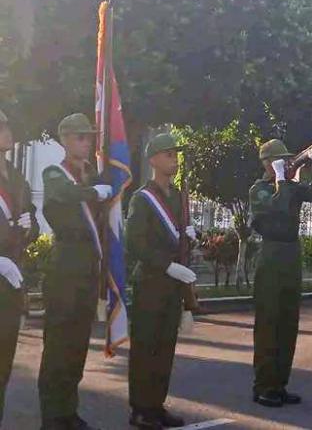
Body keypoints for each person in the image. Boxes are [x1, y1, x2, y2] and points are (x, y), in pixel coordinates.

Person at [38, 113, 112, 430]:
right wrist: (95, 192)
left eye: (89, 136)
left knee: (77, 346)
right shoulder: (55, 173)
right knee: (58, 346)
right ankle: (52, 417)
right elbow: (65, 195)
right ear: (65, 139)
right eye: (81, 137)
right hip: (65, 266)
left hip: (88, 267)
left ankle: (68, 411)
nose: (87, 142)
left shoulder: (92, 174)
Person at [126, 133, 198, 429]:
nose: (174, 159)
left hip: (172, 285)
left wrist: (191, 238)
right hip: (151, 282)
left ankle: (156, 405)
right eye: (168, 154)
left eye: (175, 154)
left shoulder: (179, 196)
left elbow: (179, 239)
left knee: (165, 348)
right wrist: (167, 265)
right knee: (146, 347)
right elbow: (135, 243)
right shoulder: (142, 198)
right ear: (153, 159)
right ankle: (140, 409)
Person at [249, 139, 312, 407]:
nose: (286, 162)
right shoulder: (259, 190)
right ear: (267, 163)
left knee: (288, 322)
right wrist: (281, 178)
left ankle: (280, 384)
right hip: (271, 254)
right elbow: (278, 206)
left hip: (291, 253)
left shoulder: (289, 186)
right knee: (269, 323)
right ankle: (264, 386)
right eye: (279, 159)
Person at [0, 109, 39, 425]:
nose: (8, 131)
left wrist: (30, 227)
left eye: (7, 125)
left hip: (10, 284)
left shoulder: (16, 177)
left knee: (3, 366)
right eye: (2, 127)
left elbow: (33, 220)